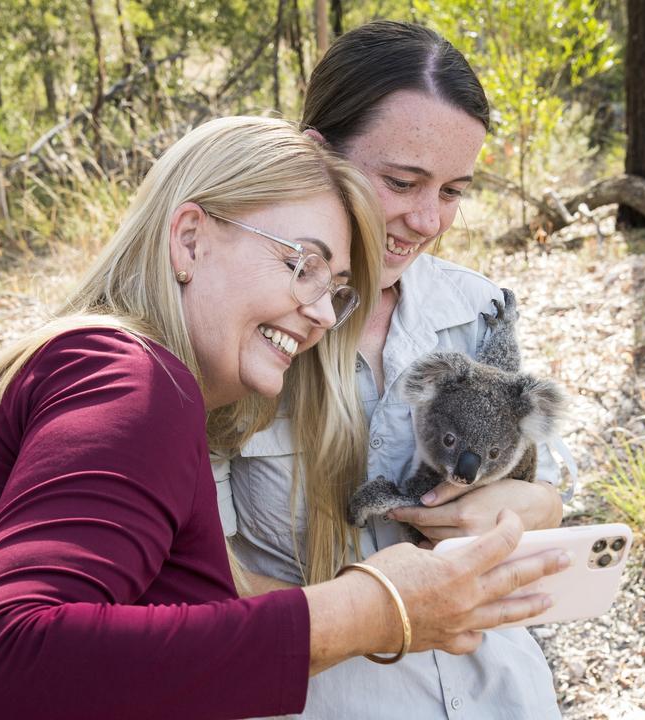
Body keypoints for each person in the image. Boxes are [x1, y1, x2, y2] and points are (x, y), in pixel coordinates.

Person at [0, 116, 570, 720]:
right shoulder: (130, 381)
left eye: (339, 290)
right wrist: (376, 610)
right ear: (189, 239)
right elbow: (2, 663)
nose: (322, 313)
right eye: (302, 265)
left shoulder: (99, 369)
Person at [220, 22, 577, 719]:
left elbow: (543, 484)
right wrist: (381, 613)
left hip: (498, 693)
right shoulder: (237, 324)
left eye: (453, 191)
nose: (427, 219)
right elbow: (198, 590)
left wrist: (538, 508)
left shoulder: (477, 310)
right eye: (402, 182)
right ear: (317, 155)